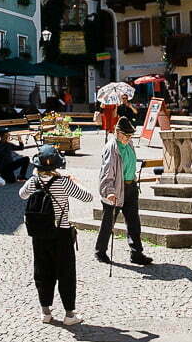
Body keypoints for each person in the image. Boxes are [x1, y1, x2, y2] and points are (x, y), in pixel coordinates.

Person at [21, 146, 91, 326]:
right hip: (61, 232)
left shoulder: (34, 181)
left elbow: (22, 195)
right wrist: (75, 180)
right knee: (66, 272)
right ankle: (69, 314)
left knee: (42, 271)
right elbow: (87, 197)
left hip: (39, 234)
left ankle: (45, 312)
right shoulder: (63, 182)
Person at [95, 117, 154, 267]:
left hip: (130, 187)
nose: (129, 138)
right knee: (108, 223)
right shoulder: (111, 148)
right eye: (127, 135)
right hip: (115, 190)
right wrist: (109, 192)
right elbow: (106, 173)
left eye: (131, 135)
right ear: (118, 133)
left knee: (134, 222)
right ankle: (100, 252)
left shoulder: (129, 143)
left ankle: (136, 253)